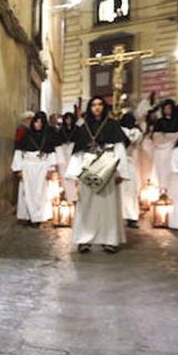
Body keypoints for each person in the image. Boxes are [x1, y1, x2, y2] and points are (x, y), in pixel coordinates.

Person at [66, 96, 130, 254]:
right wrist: (75, 174)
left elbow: (119, 148)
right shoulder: (84, 127)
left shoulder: (112, 126)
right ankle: (84, 239)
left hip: (107, 166)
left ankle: (109, 239)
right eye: (93, 105)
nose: (97, 107)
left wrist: (120, 171)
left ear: (104, 107)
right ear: (90, 107)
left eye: (100, 104)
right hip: (88, 168)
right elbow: (78, 152)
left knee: (108, 205)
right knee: (86, 205)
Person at [11, 111, 59, 227]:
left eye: (41, 122)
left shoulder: (47, 138)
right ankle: (27, 216)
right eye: (36, 121)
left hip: (42, 168)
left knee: (40, 193)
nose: (38, 124)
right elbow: (19, 152)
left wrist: (51, 169)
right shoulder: (26, 136)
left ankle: (39, 217)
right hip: (28, 167)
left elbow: (51, 154)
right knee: (26, 192)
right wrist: (18, 169)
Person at [149, 99, 178, 194]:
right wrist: (169, 137)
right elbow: (156, 137)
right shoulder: (159, 122)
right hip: (161, 152)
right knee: (162, 173)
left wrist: (168, 136)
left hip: (174, 150)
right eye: (165, 108)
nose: (167, 110)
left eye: (169, 108)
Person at [118, 112, 144, 228]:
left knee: (130, 190)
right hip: (120, 161)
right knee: (120, 189)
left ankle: (131, 215)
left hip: (128, 161)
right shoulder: (119, 129)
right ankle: (119, 215)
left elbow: (133, 140)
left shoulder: (136, 132)